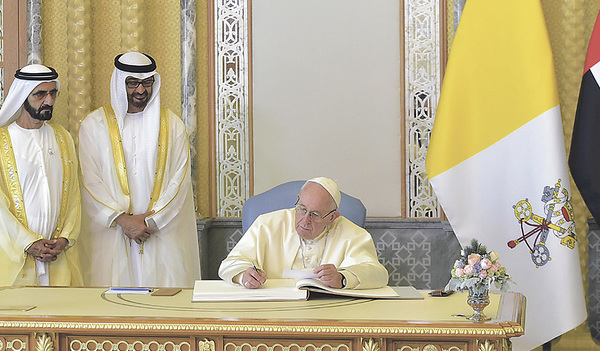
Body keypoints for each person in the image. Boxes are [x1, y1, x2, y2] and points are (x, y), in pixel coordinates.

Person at [79, 52, 200, 287]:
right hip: (113, 233)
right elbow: (88, 179)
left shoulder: (172, 124)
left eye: (146, 83)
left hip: (161, 232)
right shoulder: (94, 125)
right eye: (132, 83)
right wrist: (122, 219)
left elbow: (180, 180)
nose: (141, 90)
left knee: (164, 305)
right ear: (119, 82)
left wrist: (152, 221)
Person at [219, 177, 388, 289]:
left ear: (332, 217)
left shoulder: (353, 235)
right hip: (274, 313)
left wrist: (343, 278)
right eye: (302, 209)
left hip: (331, 316)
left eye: (315, 214)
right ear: (298, 200)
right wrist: (243, 275)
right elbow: (229, 264)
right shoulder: (266, 225)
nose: (305, 220)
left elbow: (378, 274)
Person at [0, 64, 83, 286]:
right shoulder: (2, 141)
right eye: (40, 94)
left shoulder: (62, 137)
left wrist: (65, 238)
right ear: (22, 96)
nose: (49, 101)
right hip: (14, 256)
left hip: (58, 257)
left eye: (52, 93)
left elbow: (74, 196)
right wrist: (28, 243)